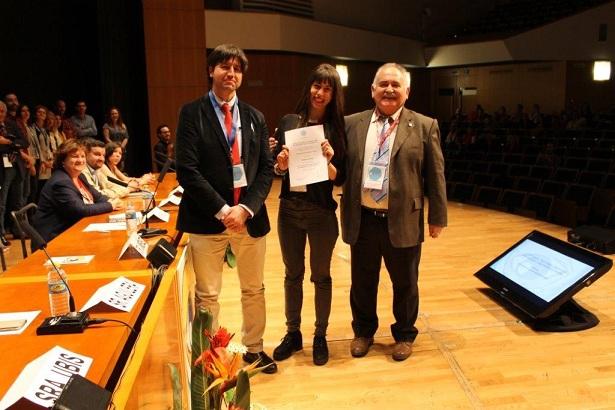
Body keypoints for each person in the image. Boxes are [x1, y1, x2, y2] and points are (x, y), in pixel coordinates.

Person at [175, 44, 276, 373]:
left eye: (237, 69)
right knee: (207, 294)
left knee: (253, 288)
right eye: (224, 67)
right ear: (211, 71)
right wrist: (223, 210)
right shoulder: (192, 113)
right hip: (207, 220)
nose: (230, 73)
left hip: (249, 219)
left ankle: (255, 349)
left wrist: (245, 208)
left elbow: (264, 168)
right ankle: (210, 357)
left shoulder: (254, 116)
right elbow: (187, 170)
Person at [342, 63, 447, 361]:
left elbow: (436, 175)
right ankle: (363, 332)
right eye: (383, 84)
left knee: (405, 282)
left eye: (395, 85)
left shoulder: (425, 125)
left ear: (407, 92)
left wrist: (437, 217)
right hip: (362, 218)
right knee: (362, 281)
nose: (389, 89)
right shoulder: (352, 123)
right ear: (372, 90)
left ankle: (404, 334)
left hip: (403, 219)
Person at [270, 63, 346, 366]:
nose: (321, 92)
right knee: (292, 275)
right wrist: (281, 165)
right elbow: (276, 169)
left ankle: (320, 335)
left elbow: (338, 179)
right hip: (289, 209)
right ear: (309, 88)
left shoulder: (338, 129)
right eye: (317, 86)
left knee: (322, 276)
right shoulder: (289, 122)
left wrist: (329, 159)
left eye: (328, 88)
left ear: (333, 94)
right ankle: (293, 333)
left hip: (321, 212)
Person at [32, 139, 121, 246]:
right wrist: (110, 205)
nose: (80, 160)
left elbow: (98, 197)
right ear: (62, 160)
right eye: (75, 156)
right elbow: (80, 210)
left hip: (75, 231)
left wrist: (110, 201)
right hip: (55, 240)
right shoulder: (60, 182)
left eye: (83, 156)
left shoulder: (79, 176)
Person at [0, 101, 29, 247]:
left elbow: (24, 142)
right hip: (2, 167)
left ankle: (19, 230)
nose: (1, 114)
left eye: (2, 111)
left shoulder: (11, 124)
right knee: (2, 202)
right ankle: (1, 233)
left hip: (16, 165)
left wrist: (8, 142)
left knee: (18, 201)